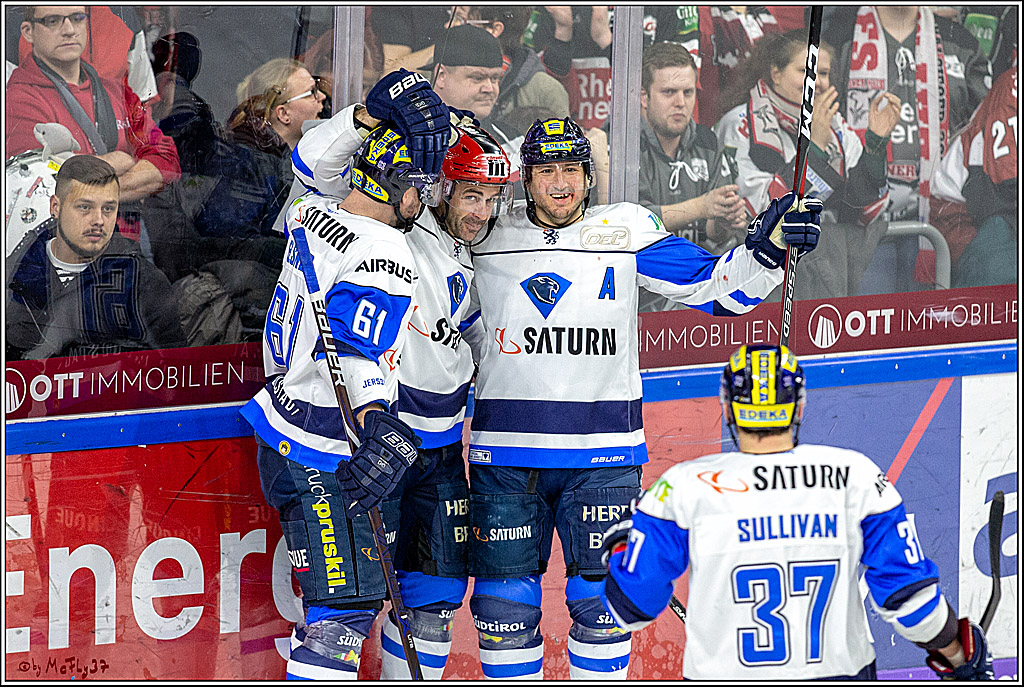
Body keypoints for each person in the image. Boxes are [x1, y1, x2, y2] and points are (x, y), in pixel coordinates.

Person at [463, 116, 822, 680]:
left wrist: (767, 250)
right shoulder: (484, 234)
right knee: (503, 610)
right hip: (506, 458)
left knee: (603, 609)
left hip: (603, 458)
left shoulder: (624, 230)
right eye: (547, 171)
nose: (562, 183)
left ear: (589, 175)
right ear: (525, 179)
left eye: (573, 170)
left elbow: (714, 290)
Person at [288, 69, 514, 679]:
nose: (482, 211)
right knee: (344, 612)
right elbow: (312, 168)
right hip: (373, 442)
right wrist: (366, 116)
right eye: (469, 193)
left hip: (439, 452)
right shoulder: (391, 231)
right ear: (435, 188)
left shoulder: (483, 246)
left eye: (493, 198)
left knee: (433, 608)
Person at [598, 343, 995, 681]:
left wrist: (622, 548)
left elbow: (631, 608)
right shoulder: (855, 475)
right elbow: (913, 607)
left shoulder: (681, 486)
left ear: (728, 407)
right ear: (799, 407)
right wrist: (958, 652)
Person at [238, 121, 440, 680]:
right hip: (327, 448)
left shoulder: (314, 211)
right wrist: (379, 423)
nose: (426, 202)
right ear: (402, 189)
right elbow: (354, 352)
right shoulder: (387, 251)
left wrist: (365, 115)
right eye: (423, 188)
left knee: (336, 609)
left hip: (281, 421)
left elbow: (312, 157)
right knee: (341, 617)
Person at [716, 29, 900, 300]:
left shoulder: (834, 124)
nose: (818, 82)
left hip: (833, 272)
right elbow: (760, 213)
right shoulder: (739, 123)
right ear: (775, 73)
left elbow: (864, 211)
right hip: (762, 279)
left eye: (823, 73)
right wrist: (814, 149)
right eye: (805, 70)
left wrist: (874, 146)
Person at [825, 5, 992, 292]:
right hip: (862, 226)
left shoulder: (960, 41)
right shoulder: (839, 35)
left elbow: (984, 128)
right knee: (871, 329)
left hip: (941, 224)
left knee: (932, 329)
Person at [6, 154, 185, 360]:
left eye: (108, 208)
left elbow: (173, 373)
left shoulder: (143, 283)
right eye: (85, 207)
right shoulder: (14, 276)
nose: (99, 220)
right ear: (55, 207)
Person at [6, 5, 180, 207]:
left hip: (127, 230)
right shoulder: (17, 100)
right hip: (58, 235)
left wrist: (95, 185)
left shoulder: (117, 91)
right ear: (28, 31)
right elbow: (39, 186)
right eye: (53, 21)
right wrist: (123, 162)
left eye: (78, 18)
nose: (69, 30)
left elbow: (167, 159)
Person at [638, 41, 745, 252]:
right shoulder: (622, 144)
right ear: (644, 97)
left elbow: (712, 232)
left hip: (699, 272)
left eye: (688, 92)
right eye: (668, 92)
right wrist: (700, 207)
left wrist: (725, 221)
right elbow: (628, 225)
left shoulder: (708, 142)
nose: (680, 102)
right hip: (639, 273)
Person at [931, 65, 1017, 288]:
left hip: (996, 210)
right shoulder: (1012, 88)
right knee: (998, 271)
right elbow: (1005, 185)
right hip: (965, 216)